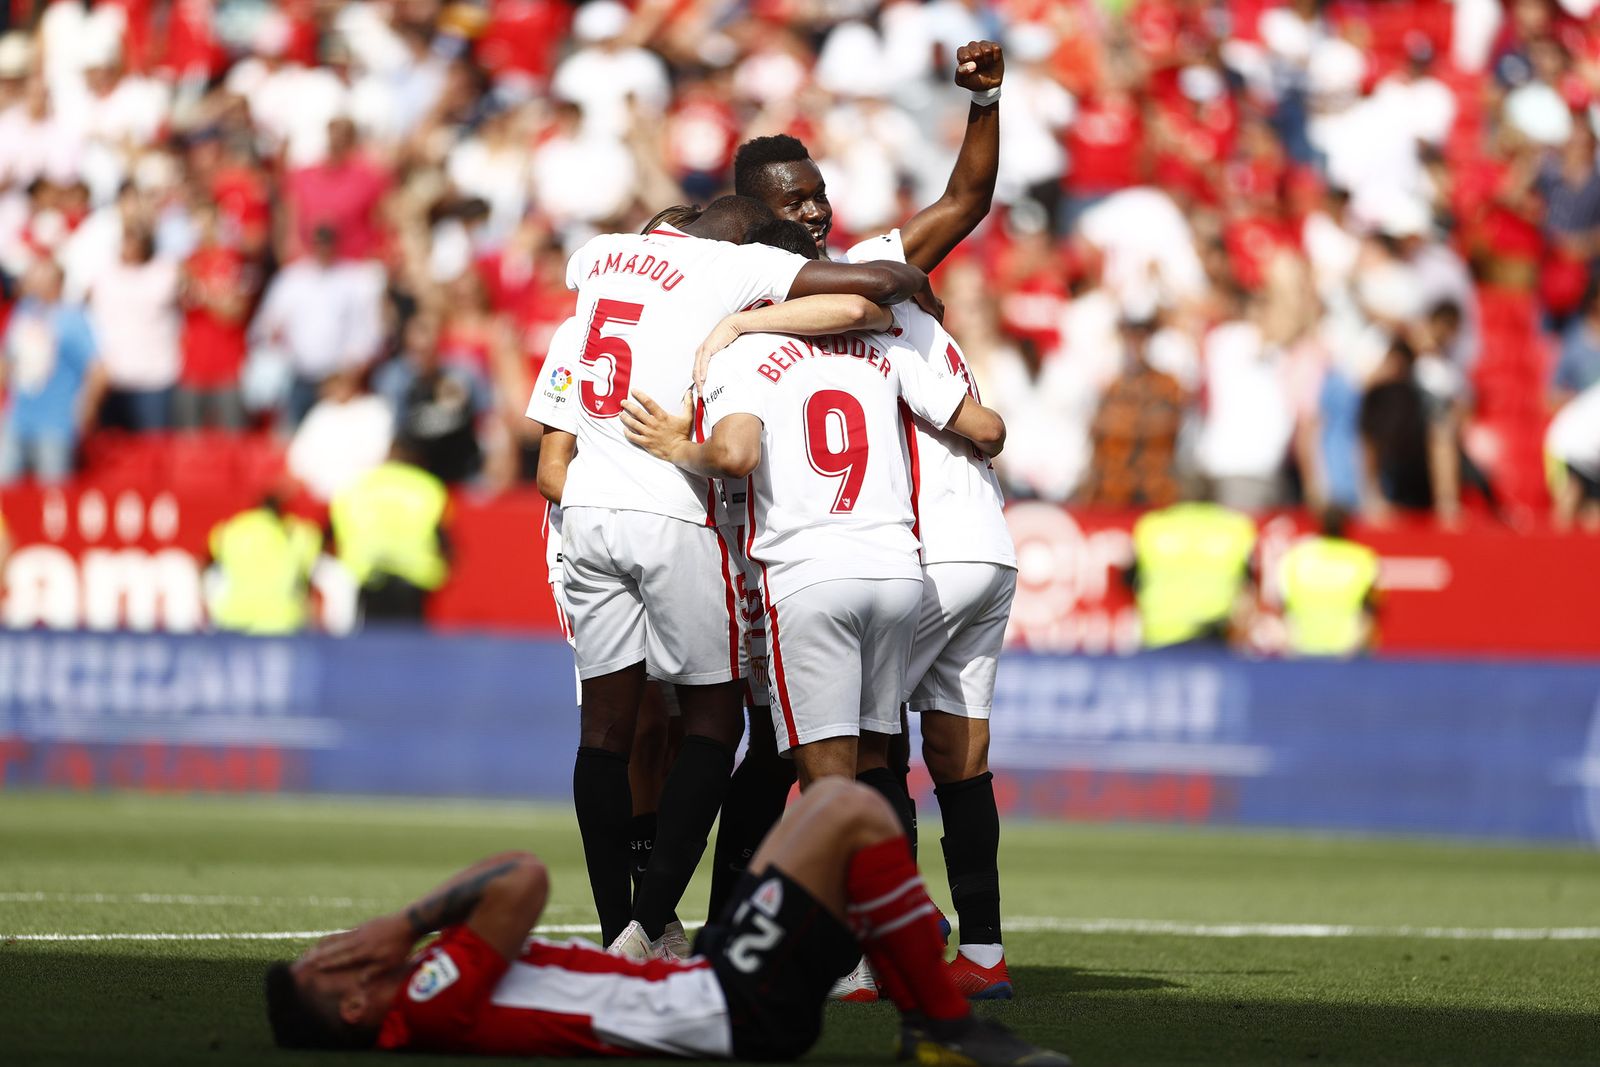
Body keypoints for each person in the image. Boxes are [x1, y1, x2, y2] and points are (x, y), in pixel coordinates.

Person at [556, 193, 930, 958]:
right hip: (671, 507)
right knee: (716, 723)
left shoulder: (596, 254)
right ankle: (647, 923)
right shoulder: (739, 264)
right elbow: (878, 286)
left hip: (586, 505)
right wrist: (753, 311)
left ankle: (620, 925)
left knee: (605, 730)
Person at [264, 778, 1071, 1067]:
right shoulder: (422, 1003)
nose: (343, 947)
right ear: (353, 1007)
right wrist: (403, 924)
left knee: (834, 810)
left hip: (710, 981)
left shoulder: (420, 994)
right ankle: (941, 1023)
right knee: (851, 811)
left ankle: (917, 998)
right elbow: (522, 877)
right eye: (330, 965)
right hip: (728, 1007)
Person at [622, 221, 1003, 800]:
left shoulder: (743, 354)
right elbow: (989, 428)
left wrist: (680, 443)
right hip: (901, 565)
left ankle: (807, 891)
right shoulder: (886, 343)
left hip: (810, 573)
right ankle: (898, 892)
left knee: (818, 778)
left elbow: (734, 454)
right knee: (879, 761)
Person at [0, 258, 104, 486]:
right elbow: (7, 361)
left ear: (56, 283)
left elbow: (98, 371)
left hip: (55, 425)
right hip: (16, 418)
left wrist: (85, 411)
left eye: (38, 277)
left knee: (51, 499)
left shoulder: (72, 320)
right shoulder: (23, 312)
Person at [329, 440, 451, 624]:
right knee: (410, 648)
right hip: (413, 582)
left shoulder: (359, 485)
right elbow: (445, 541)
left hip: (369, 578)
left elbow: (336, 530)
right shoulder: (429, 487)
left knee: (370, 646)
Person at [1128, 501, 1258, 650]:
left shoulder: (1152, 526)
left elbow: (1129, 579)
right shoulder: (1235, 526)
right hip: (1211, 634)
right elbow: (1250, 585)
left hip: (1160, 634)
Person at [207, 495, 322, 635]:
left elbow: (214, 547)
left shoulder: (231, 530)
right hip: (280, 622)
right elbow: (311, 545)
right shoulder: (293, 534)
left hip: (233, 617)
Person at [1278, 506, 1380, 656]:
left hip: (1302, 652)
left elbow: (1282, 606)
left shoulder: (1295, 558)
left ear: (1319, 525)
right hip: (1347, 655)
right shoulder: (1363, 559)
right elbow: (1372, 613)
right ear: (1347, 526)